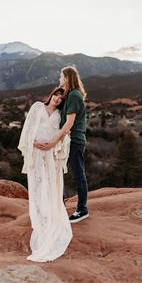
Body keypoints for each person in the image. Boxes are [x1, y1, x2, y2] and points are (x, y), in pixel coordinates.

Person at [18, 87, 72, 262]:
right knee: (37, 184)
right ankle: (40, 219)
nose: (58, 100)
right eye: (57, 96)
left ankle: (50, 217)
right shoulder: (37, 107)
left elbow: (62, 133)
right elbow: (27, 127)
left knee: (50, 185)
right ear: (52, 95)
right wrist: (31, 143)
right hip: (35, 152)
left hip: (49, 154)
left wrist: (53, 145)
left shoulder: (59, 114)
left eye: (61, 99)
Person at [35, 66, 88, 223]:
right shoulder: (71, 95)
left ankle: (82, 209)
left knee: (78, 173)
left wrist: (52, 142)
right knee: (61, 172)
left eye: (61, 76)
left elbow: (69, 124)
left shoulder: (73, 96)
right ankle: (59, 205)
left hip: (75, 141)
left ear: (67, 78)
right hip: (69, 141)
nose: (60, 79)